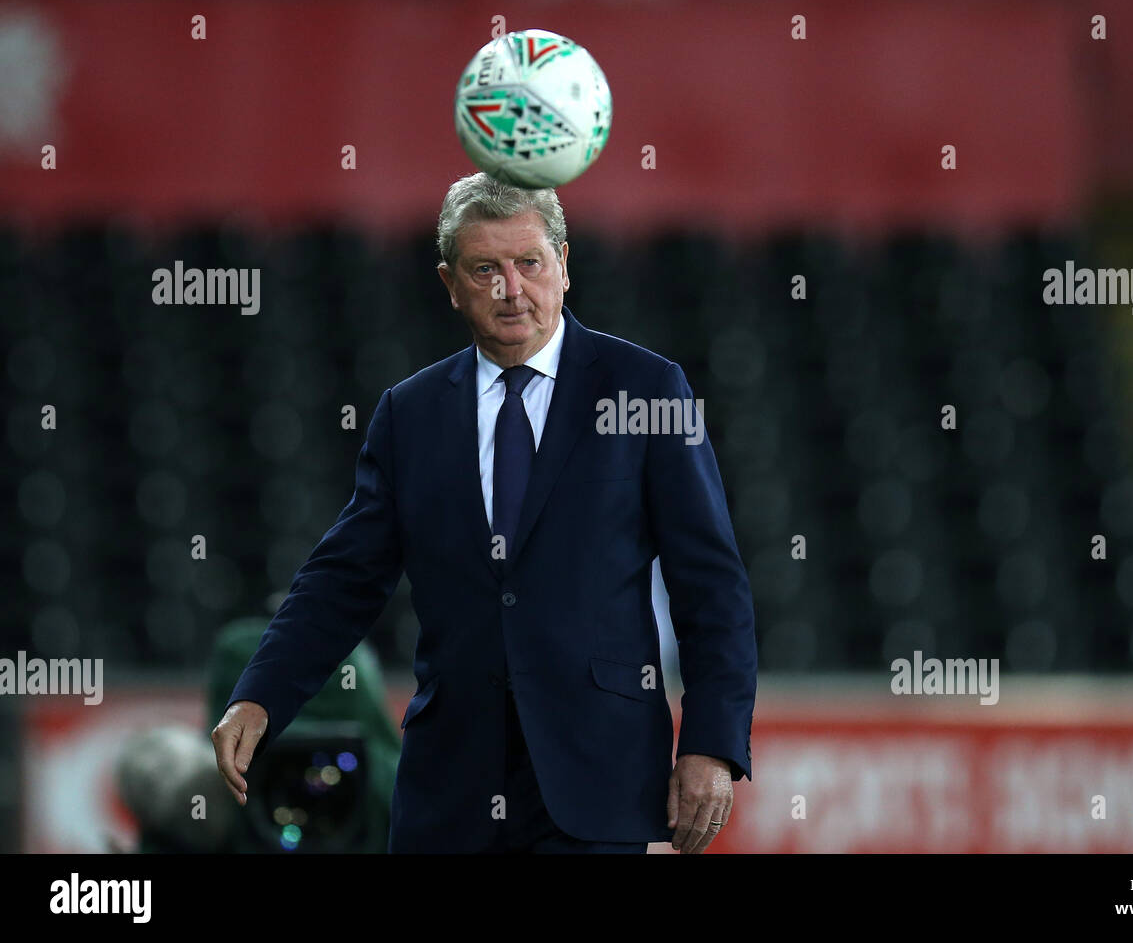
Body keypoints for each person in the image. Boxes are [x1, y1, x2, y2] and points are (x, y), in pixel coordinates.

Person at [211, 172, 757, 853]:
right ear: (449, 283)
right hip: (452, 788)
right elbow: (342, 580)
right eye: (485, 269)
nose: (511, 289)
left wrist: (711, 742)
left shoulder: (645, 388)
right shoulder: (410, 414)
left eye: (528, 263)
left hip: (598, 780)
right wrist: (258, 696)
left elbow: (711, 585)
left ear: (564, 264)